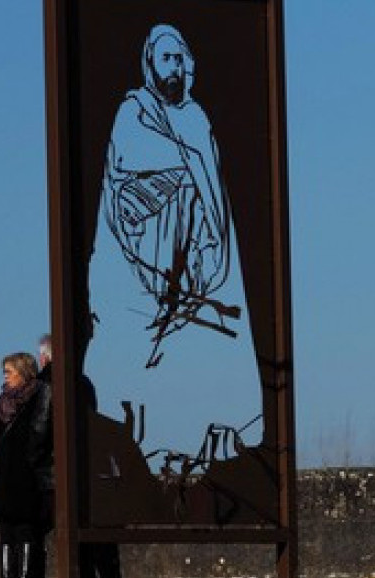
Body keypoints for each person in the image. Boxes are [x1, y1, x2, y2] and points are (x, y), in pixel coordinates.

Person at [100, 22, 237, 366]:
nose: (173, 67)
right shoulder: (134, 108)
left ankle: (190, 279)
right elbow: (124, 156)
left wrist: (191, 168)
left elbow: (209, 171)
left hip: (189, 222)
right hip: (147, 223)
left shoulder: (195, 116)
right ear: (151, 62)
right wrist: (182, 163)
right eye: (166, 58)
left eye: (179, 59)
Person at [37, 334, 122, 578]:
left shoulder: (41, 384)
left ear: (44, 357)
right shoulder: (83, 383)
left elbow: (39, 433)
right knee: (99, 549)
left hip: (53, 478)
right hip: (88, 473)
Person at [0, 352, 53, 578]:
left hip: (27, 481)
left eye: (9, 372)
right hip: (2, 482)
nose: (5, 377)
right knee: (6, 536)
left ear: (23, 373)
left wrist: (31, 465)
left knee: (26, 535)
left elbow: (39, 436)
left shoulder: (40, 396)